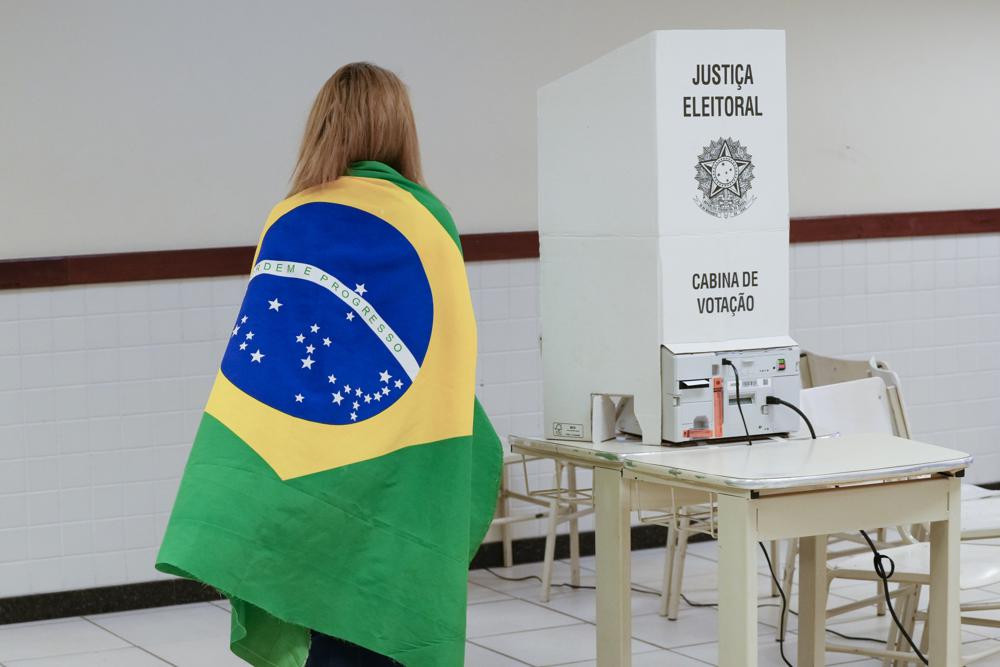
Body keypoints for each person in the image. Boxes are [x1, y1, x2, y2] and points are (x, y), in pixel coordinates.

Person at [156, 62, 503, 667]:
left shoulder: (287, 218)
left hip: (302, 484)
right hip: (395, 473)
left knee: (316, 625)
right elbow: (449, 357)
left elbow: (263, 366)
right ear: (400, 129)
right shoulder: (428, 221)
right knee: (381, 623)